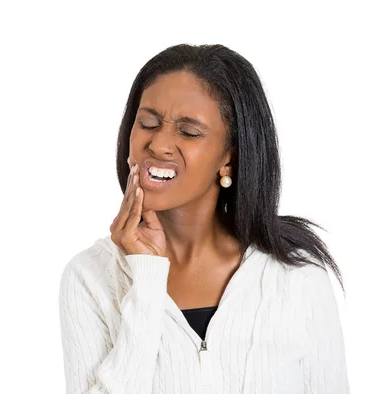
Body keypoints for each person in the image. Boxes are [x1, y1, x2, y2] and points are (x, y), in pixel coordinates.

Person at [58, 43, 350, 393]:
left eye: (189, 132)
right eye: (148, 123)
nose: (159, 144)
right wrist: (147, 278)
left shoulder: (296, 277)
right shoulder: (89, 278)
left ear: (229, 157)